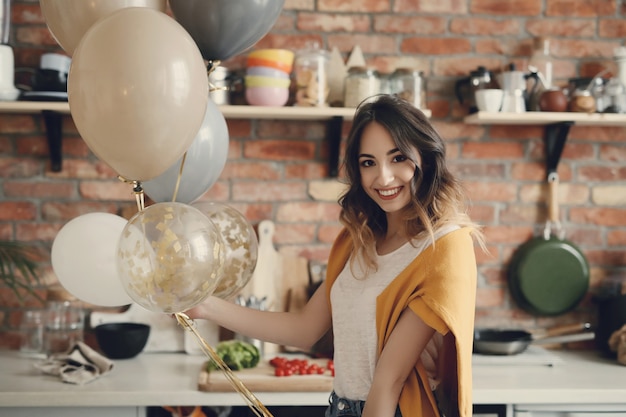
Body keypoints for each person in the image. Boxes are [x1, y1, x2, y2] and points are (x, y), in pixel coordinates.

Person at [185, 94, 485, 417]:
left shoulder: (445, 247)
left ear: (424, 156)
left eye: (398, 158)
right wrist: (207, 307)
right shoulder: (357, 242)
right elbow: (304, 328)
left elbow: (390, 378)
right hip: (341, 407)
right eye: (368, 162)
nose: (383, 178)